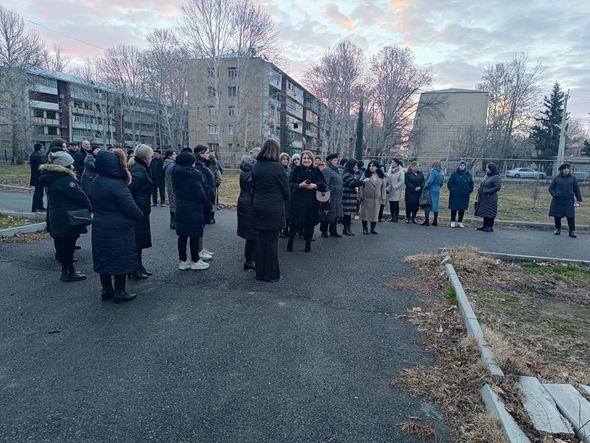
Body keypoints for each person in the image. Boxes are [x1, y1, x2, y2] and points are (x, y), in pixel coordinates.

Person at [89, 149, 143, 303]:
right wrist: (139, 216)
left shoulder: (96, 181)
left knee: (103, 257)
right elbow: (131, 208)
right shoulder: (116, 185)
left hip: (99, 225)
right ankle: (120, 291)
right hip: (119, 227)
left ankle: (106, 290)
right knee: (120, 257)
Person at [38, 151, 92, 282]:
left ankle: (67, 270)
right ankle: (68, 272)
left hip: (57, 217)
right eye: (71, 164)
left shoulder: (51, 177)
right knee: (68, 246)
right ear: (65, 166)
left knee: (63, 245)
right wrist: (91, 208)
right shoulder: (65, 180)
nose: (73, 167)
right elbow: (81, 197)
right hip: (67, 217)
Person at [251, 138, 290, 282]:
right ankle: (271, 274)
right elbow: (286, 191)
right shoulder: (278, 168)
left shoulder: (257, 166)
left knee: (261, 240)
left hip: (259, 204)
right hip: (274, 207)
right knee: (272, 242)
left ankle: (259, 273)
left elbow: (253, 186)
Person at [172, 151, 211, 270]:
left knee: (182, 235)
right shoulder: (193, 175)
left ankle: (183, 260)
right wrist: (207, 204)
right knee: (194, 234)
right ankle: (195, 260)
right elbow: (199, 193)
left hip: (180, 205)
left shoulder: (175, 172)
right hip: (193, 208)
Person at [287, 150, 325, 253]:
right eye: (304, 158)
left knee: (310, 224)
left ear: (312, 160)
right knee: (294, 224)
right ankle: (290, 244)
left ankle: (308, 245)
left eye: (308, 158)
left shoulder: (316, 170)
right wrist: (300, 185)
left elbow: (323, 184)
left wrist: (315, 185)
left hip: (312, 202)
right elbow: (290, 184)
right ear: (301, 159)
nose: (306, 160)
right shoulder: (296, 170)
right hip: (297, 202)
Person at [128, 144, 154, 279]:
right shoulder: (139, 170)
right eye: (150, 157)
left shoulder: (140, 168)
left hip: (142, 206)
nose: (151, 159)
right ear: (145, 157)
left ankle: (138, 265)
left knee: (139, 239)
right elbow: (130, 190)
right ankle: (134, 267)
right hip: (139, 208)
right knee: (136, 239)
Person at [237, 147, 260, 271]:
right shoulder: (251, 173)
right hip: (250, 204)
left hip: (245, 202)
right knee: (252, 234)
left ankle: (250, 260)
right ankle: (249, 261)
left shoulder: (246, 170)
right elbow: (254, 191)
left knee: (251, 234)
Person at [549, 163, 583, 238]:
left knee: (570, 216)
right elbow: (551, 188)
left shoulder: (573, 178)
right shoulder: (557, 178)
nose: (566, 170)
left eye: (568, 169)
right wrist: (555, 195)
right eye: (565, 169)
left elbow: (577, 189)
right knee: (557, 216)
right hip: (558, 200)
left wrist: (579, 199)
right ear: (561, 170)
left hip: (569, 201)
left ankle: (572, 231)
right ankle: (558, 229)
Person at [193, 145, 216, 260]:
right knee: (199, 226)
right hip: (203, 200)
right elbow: (202, 185)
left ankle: (201, 248)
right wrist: (207, 199)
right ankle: (198, 250)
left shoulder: (203, 165)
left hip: (207, 199)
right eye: (207, 153)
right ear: (200, 154)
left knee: (202, 226)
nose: (209, 155)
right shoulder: (198, 166)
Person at [359, 160, 387, 234]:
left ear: (377, 167)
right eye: (370, 166)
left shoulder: (381, 176)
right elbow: (361, 184)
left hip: (376, 199)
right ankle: (365, 228)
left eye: (373, 166)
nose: (371, 167)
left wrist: (383, 198)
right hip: (366, 198)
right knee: (364, 214)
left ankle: (373, 228)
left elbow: (383, 187)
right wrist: (360, 194)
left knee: (375, 214)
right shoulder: (365, 174)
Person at [320, 153, 344, 238]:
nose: (336, 161)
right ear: (330, 161)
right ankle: (324, 231)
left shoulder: (337, 170)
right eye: (334, 160)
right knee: (327, 213)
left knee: (335, 213)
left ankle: (333, 231)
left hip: (337, 195)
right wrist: (328, 193)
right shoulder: (327, 170)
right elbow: (325, 183)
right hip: (330, 195)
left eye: (337, 160)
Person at [475, 163, 502, 232]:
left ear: (491, 169)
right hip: (484, 197)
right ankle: (485, 226)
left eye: (488, 168)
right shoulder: (487, 176)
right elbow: (483, 185)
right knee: (485, 212)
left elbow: (497, 187)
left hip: (491, 198)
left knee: (490, 211)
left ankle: (490, 227)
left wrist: (487, 191)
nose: (486, 169)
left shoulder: (496, 177)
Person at [447, 160, 474, 228]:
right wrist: (452, 190)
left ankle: (460, 222)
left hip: (464, 194)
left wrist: (469, 190)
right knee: (454, 208)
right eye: (461, 165)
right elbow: (450, 183)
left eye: (463, 165)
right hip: (455, 194)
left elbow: (471, 183)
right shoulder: (455, 174)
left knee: (462, 208)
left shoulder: (468, 174)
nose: (462, 167)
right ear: (458, 166)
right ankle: (453, 221)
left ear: (465, 166)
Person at [342, 159, 364, 235]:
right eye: (354, 165)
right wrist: (363, 182)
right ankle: (346, 229)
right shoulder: (346, 174)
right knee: (347, 215)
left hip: (350, 198)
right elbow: (352, 183)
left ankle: (348, 229)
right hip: (347, 197)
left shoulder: (351, 174)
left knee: (349, 215)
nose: (356, 167)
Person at [421, 161, 445, 226]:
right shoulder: (441, 172)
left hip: (430, 189)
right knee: (436, 205)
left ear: (433, 165)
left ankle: (427, 221)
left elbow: (430, 181)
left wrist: (425, 187)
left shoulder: (433, 171)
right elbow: (442, 182)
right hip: (437, 190)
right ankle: (435, 221)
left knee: (428, 205)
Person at [30, 143, 46, 212]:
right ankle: (37, 207)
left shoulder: (33, 155)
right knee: (38, 193)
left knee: (39, 192)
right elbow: (43, 165)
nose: (43, 149)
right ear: (40, 148)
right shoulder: (38, 156)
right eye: (42, 148)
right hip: (38, 177)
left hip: (35, 176)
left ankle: (39, 206)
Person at [163, 150, 177, 230]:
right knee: (174, 204)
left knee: (172, 204)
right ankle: (174, 222)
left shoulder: (168, 164)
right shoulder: (171, 165)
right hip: (173, 186)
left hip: (170, 186)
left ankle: (173, 222)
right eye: (174, 154)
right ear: (169, 156)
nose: (175, 155)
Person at [209, 152, 223, 223]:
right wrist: (216, 184)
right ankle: (212, 218)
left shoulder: (207, 165)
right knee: (214, 199)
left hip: (210, 185)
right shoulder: (215, 164)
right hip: (213, 184)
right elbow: (219, 175)